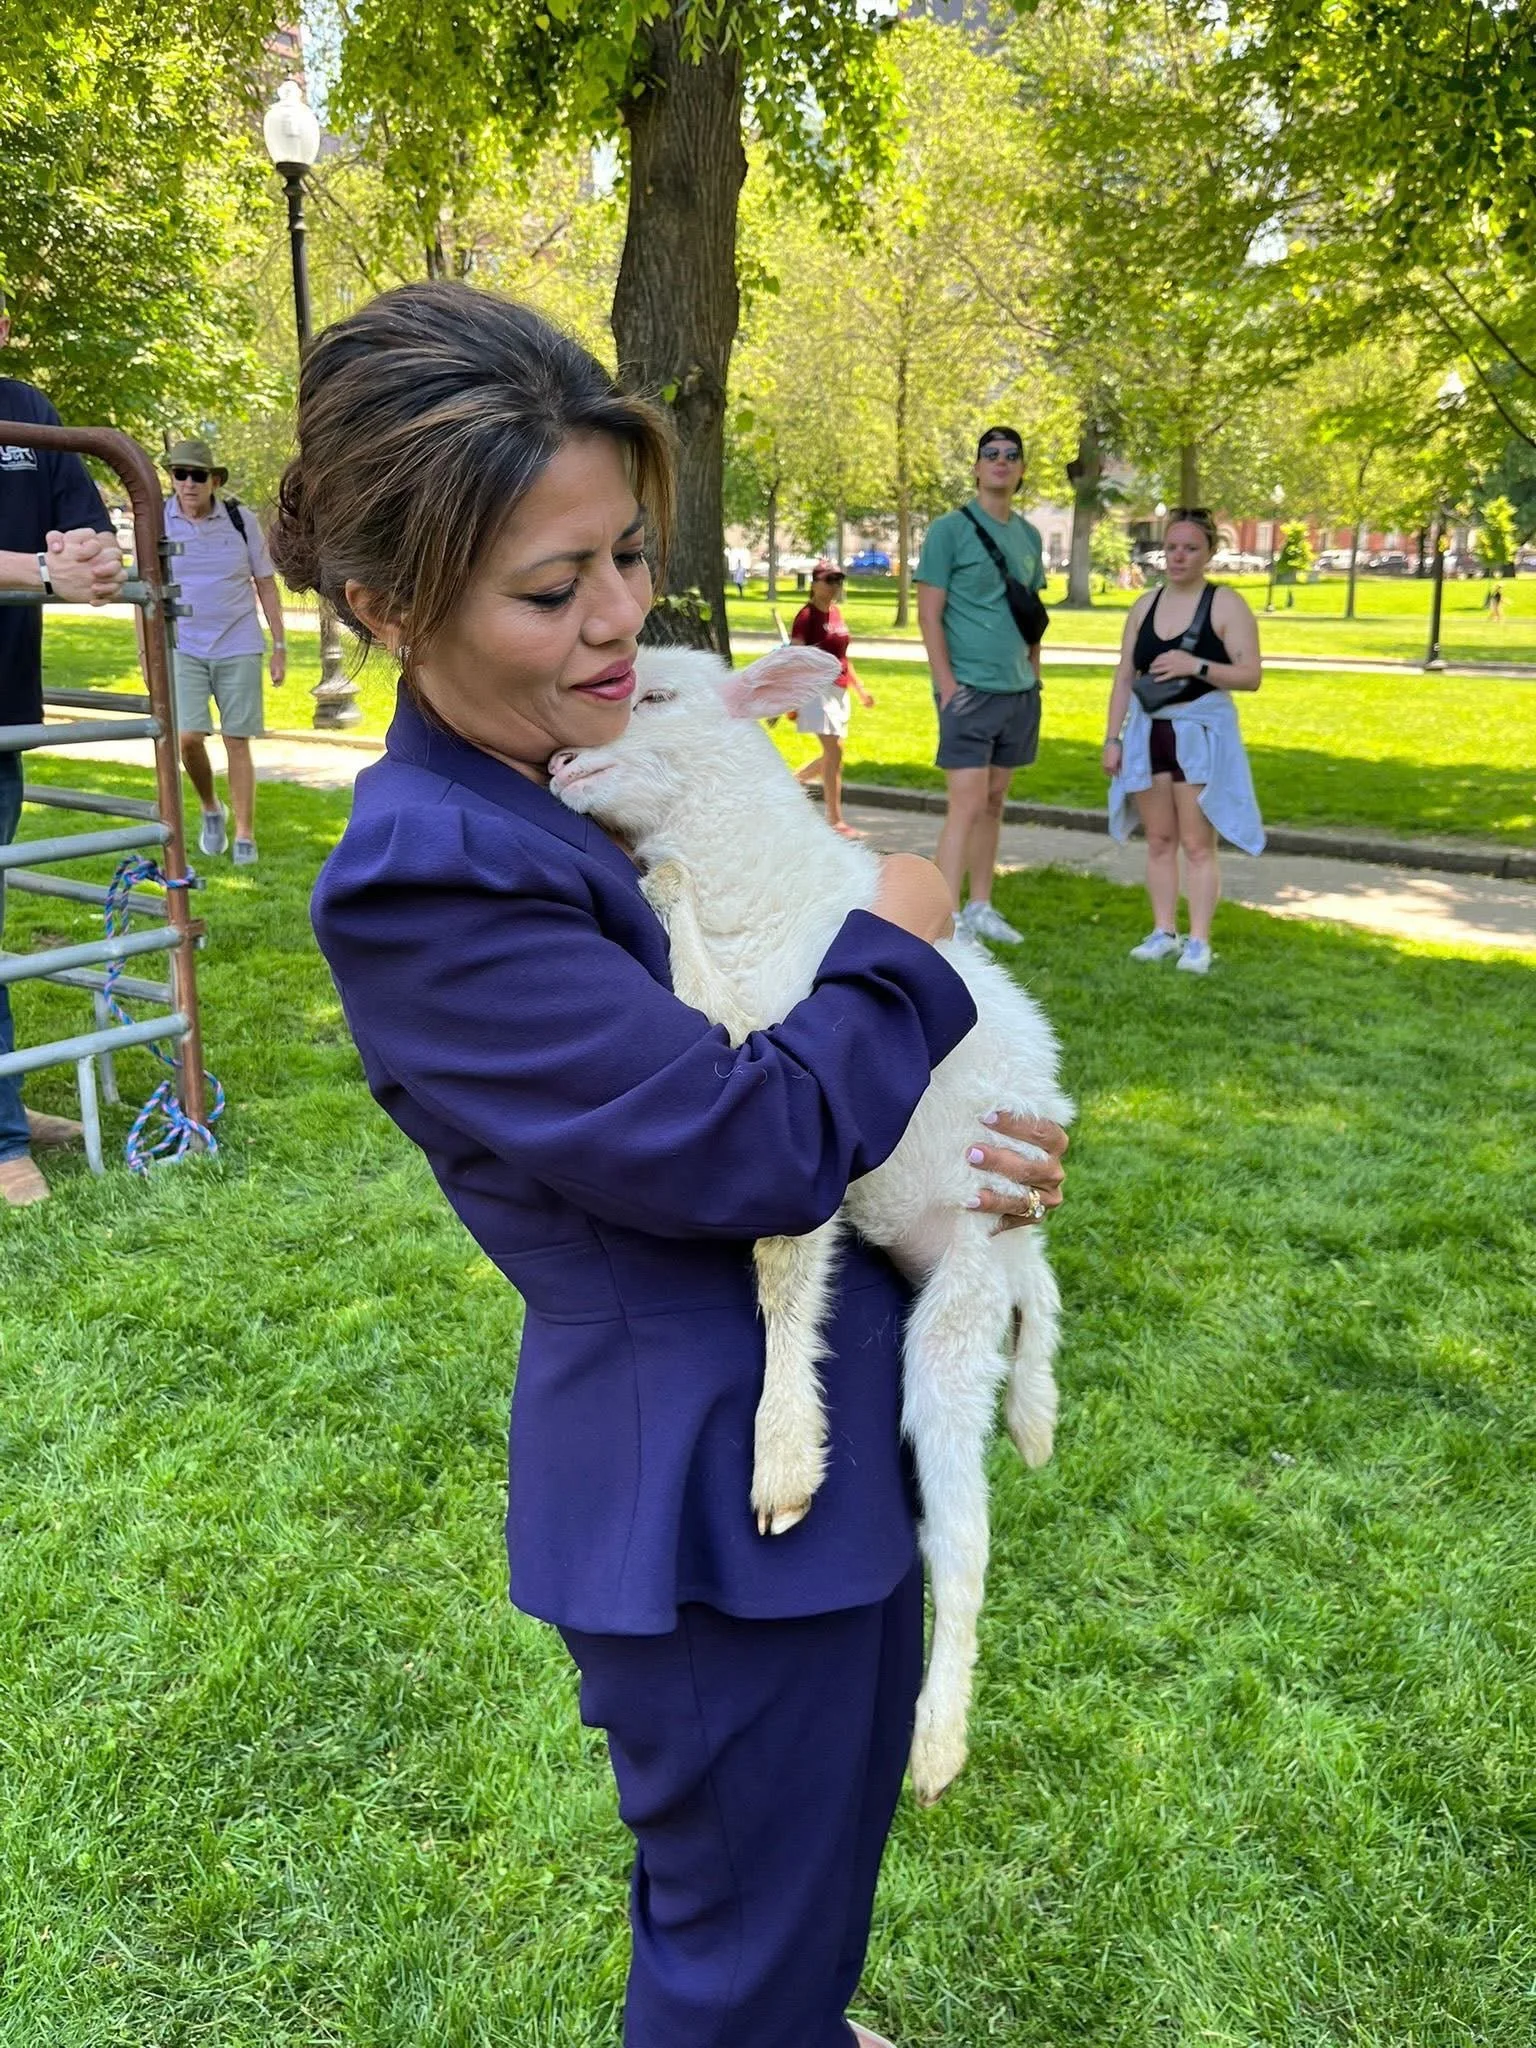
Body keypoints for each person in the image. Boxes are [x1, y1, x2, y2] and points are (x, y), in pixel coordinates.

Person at [289, 283, 1069, 2048]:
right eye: (550, 591)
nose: (620, 620)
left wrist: (968, 1150)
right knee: (727, 1952)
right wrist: (913, 923)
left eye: (629, 559)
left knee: (806, 1887)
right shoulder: (435, 868)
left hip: (833, 1416)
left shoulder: (620, 768)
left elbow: (839, 1095)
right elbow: (753, 1141)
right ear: (387, 604)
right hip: (709, 1494)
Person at [0, 286, 126, 1207]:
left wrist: (94, 556)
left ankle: (2, 1091)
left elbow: (85, 529)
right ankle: (6, 1143)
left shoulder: (31, 415)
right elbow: (44, 564)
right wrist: (41, 569)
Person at [1101, 507, 1264, 974]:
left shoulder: (1225, 604)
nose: (1178, 557)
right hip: (1149, 734)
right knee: (1158, 838)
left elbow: (1251, 675)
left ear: (1210, 552)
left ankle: (1199, 941)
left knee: (1196, 842)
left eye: (1190, 548)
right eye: (1172, 547)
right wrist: (1112, 738)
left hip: (1199, 734)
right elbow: (1124, 675)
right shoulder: (1145, 605)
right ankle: (1162, 931)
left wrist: (1198, 667)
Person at [915, 426, 1046, 948]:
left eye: (1011, 456)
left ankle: (983, 905)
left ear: (1020, 470)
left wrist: (1034, 672)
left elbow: (1032, 614)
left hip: (1017, 690)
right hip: (967, 688)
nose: (1001, 462)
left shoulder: (1030, 535)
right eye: (990, 454)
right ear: (975, 467)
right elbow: (930, 615)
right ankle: (946, 918)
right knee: (966, 804)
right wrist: (947, 686)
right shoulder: (949, 531)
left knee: (994, 801)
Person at [163, 437, 286, 866]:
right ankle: (211, 807)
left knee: (237, 740)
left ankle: (246, 837)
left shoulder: (240, 520)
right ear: (172, 478)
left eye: (198, 475)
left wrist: (280, 646)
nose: (189, 483)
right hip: (184, 646)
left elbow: (266, 583)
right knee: (188, 737)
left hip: (238, 642)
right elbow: (148, 591)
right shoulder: (158, 521)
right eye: (181, 474)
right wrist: (146, 651)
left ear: (214, 480)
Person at [791, 560, 876, 837]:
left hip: (839, 690)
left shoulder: (837, 614)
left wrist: (860, 688)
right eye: (829, 580)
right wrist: (793, 699)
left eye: (838, 581)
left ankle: (793, 782)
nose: (834, 586)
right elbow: (794, 659)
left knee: (835, 754)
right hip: (817, 691)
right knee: (834, 752)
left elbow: (843, 657)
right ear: (815, 584)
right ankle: (835, 820)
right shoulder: (806, 617)